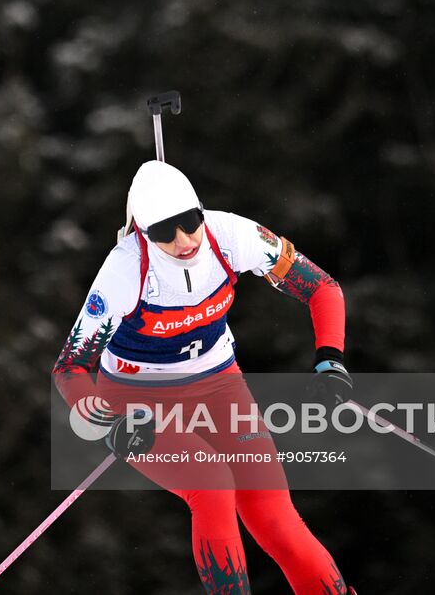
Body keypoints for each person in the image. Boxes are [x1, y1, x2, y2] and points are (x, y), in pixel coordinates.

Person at [53, 160, 357, 595]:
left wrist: (331, 360)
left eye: (189, 223)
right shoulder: (125, 270)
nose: (182, 241)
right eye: (163, 232)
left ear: (201, 211)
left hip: (219, 385)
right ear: (142, 232)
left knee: (273, 512)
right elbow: (71, 368)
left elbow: (322, 288)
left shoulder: (233, 236)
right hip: (138, 402)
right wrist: (110, 427)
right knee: (210, 481)